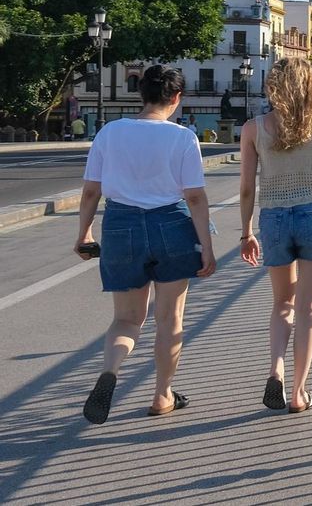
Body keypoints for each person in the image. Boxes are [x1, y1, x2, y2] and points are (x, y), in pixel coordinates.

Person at [73, 65, 218, 424]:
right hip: (171, 224)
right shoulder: (183, 137)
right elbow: (195, 199)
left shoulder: (110, 132)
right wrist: (207, 247)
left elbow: (92, 190)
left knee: (126, 319)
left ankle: (110, 371)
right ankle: (162, 395)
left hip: (122, 225)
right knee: (170, 319)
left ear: (141, 94)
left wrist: (84, 233)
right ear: (177, 98)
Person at [238, 57, 312, 414]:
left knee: (282, 304)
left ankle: (276, 368)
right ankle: (299, 393)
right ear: (311, 85)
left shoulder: (253, 128)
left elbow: (246, 189)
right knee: (308, 308)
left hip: (273, 220)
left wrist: (246, 232)